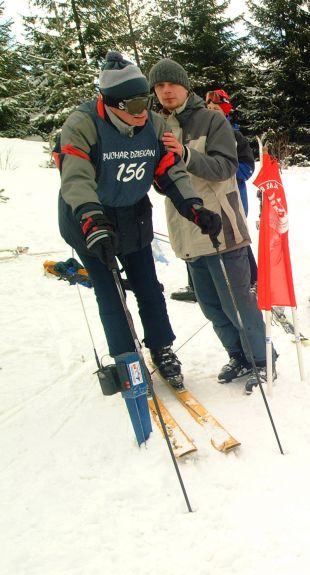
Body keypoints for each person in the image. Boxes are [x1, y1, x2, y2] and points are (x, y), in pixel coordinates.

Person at [56, 51, 218, 389]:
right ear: (112, 103)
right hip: (90, 219)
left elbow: (168, 170)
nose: (143, 110)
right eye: (133, 105)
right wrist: (92, 221)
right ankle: (126, 356)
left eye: (145, 100)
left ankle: (161, 347)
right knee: (110, 291)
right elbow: (76, 178)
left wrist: (194, 206)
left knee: (148, 286)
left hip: (133, 214)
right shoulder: (82, 124)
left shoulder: (153, 125)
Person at [148, 58, 274, 392]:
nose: (166, 91)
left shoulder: (212, 119)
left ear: (185, 86)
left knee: (238, 304)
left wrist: (185, 155)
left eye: (172, 84)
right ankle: (238, 356)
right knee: (212, 307)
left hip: (221, 229)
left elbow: (225, 168)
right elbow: (161, 182)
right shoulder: (156, 126)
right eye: (160, 86)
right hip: (187, 231)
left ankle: (263, 360)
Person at [170, 89, 258, 302]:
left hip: (230, 199)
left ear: (226, 111)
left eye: (217, 109)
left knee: (236, 240)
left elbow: (246, 168)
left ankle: (252, 280)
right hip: (200, 197)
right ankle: (196, 286)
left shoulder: (234, 135)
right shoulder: (193, 130)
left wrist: (220, 167)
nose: (212, 112)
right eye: (209, 108)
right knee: (193, 236)